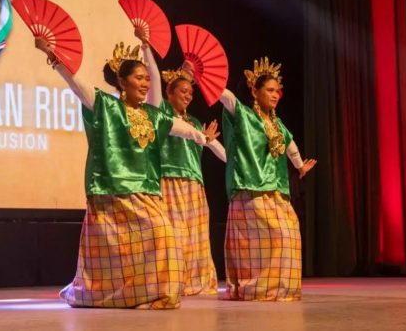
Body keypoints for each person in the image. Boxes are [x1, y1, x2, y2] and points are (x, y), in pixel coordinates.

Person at [34, 37, 217, 309]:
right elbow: (76, 83)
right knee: (114, 253)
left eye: (147, 79)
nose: (145, 83)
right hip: (111, 191)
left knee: (164, 237)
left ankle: (152, 294)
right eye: (139, 78)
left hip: (146, 193)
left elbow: (182, 128)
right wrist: (53, 55)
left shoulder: (154, 116)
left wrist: (202, 138)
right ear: (122, 81)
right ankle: (102, 295)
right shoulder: (105, 106)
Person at [134, 29, 225, 296]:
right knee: (172, 235)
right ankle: (172, 281)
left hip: (194, 186)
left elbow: (217, 150)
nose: (188, 95)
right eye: (182, 91)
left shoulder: (196, 123)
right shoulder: (160, 112)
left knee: (196, 238)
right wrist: (146, 46)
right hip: (169, 181)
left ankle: (195, 281)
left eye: (190, 92)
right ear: (169, 94)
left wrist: (230, 156)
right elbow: (153, 79)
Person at [219, 57, 316, 301]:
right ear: (254, 91)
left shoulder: (277, 123)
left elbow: (290, 145)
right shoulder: (241, 115)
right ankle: (257, 288)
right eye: (270, 90)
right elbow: (225, 95)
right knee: (263, 242)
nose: (275, 95)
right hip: (250, 189)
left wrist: (299, 165)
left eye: (277, 91)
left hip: (276, 189)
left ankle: (278, 288)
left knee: (289, 232)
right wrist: (203, 75)